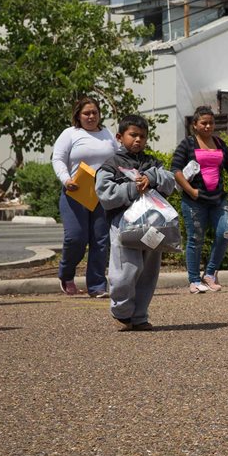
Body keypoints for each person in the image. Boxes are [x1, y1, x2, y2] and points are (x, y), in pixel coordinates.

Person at [96, 115, 176, 331]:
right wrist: (132, 188)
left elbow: (170, 182)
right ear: (120, 137)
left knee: (148, 271)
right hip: (123, 224)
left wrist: (153, 177)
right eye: (133, 135)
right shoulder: (111, 165)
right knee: (127, 270)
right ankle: (122, 312)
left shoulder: (153, 163)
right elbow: (105, 194)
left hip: (153, 224)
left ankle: (139, 316)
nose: (138, 140)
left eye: (142, 136)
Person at [171, 106, 228, 294]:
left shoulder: (219, 143)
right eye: (204, 123)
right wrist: (191, 191)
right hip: (194, 201)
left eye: (211, 122)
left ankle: (210, 274)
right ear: (195, 125)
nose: (208, 126)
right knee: (195, 239)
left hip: (218, 199)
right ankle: (194, 280)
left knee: (225, 233)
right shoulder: (187, 144)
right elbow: (175, 170)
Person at [51, 96, 117, 297]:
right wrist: (66, 179)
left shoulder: (107, 134)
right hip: (76, 192)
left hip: (102, 194)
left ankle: (97, 286)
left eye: (94, 112)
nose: (91, 116)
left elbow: (118, 158)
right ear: (78, 115)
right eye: (86, 113)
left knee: (100, 240)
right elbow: (58, 159)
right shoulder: (70, 134)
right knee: (75, 238)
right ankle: (66, 273)